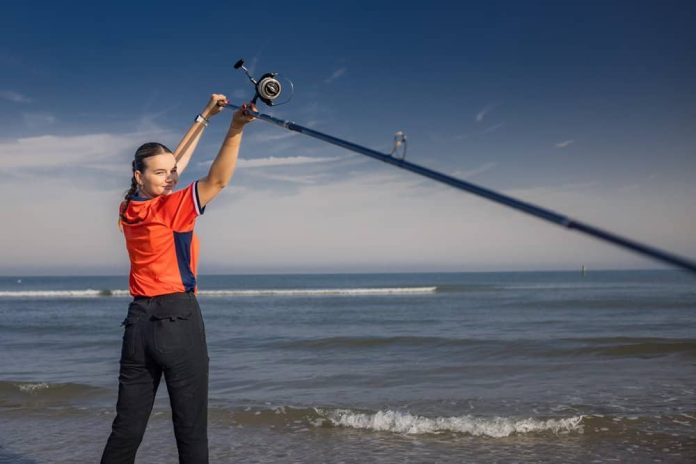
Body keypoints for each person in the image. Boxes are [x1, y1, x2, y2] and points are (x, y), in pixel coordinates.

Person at [101, 94, 255, 464]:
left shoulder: (128, 208)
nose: (171, 178)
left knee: (127, 428)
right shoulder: (172, 209)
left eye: (171, 173)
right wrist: (234, 128)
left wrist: (204, 116)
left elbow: (171, 167)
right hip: (177, 321)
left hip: (137, 326)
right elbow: (217, 180)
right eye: (162, 173)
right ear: (139, 175)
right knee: (190, 430)